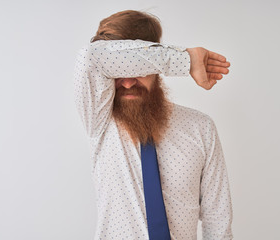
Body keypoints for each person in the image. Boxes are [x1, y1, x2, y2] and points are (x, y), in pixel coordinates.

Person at [73, 10, 233, 239]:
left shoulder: (201, 128)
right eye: (118, 71)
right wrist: (187, 60)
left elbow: (218, 220)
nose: (127, 82)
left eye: (137, 69)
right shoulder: (100, 120)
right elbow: (91, 57)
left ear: (156, 67)